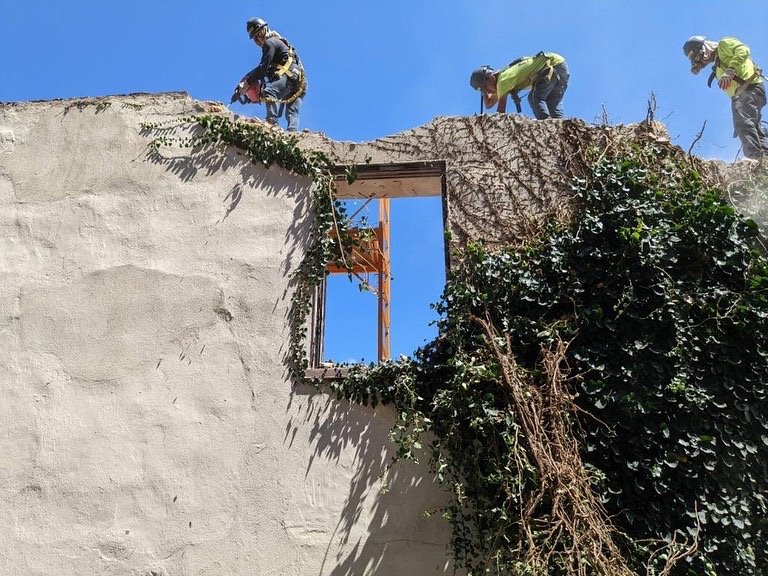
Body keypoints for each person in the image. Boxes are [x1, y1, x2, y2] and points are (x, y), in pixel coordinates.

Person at [683, 35, 768, 160]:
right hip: (746, 93)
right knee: (755, 127)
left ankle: (756, 159)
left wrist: (730, 70)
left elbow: (743, 50)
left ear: (704, 48)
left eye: (700, 56)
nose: (702, 60)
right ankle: (765, 158)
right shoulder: (717, 66)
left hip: (749, 89)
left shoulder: (723, 45)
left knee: (744, 125)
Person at [232, 18, 306, 132]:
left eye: (259, 34)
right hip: (298, 82)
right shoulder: (280, 42)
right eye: (255, 38)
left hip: (289, 76)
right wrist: (250, 97)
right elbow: (264, 75)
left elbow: (262, 68)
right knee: (292, 112)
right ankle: (293, 135)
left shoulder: (270, 42)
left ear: (265, 29)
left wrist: (247, 82)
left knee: (269, 92)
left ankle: (271, 122)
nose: (258, 39)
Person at [469, 52, 569, 119]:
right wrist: (483, 90)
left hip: (550, 66)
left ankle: (547, 126)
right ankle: (561, 129)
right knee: (552, 101)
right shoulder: (503, 78)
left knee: (534, 98)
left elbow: (500, 113)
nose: (489, 92)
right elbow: (489, 105)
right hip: (559, 65)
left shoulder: (503, 81)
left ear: (491, 78)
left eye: (487, 88)